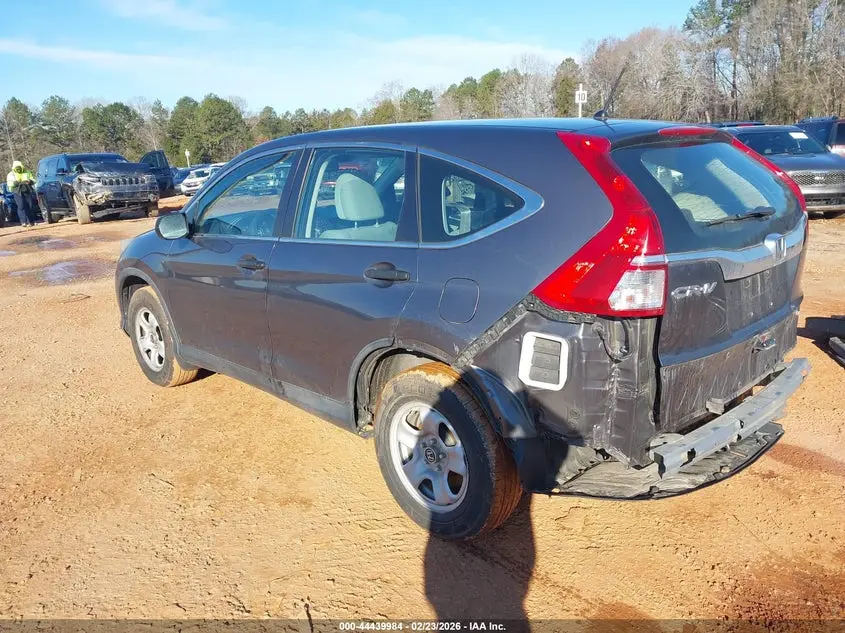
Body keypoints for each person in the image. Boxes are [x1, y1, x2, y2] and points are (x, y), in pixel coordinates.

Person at [6, 160, 37, 227]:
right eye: (17, 167)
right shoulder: (11, 174)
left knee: (30, 205)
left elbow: (34, 180)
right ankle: (23, 222)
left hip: (27, 189)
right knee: (21, 206)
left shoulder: (27, 172)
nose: (18, 169)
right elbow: (9, 183)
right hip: (17, 191)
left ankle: (31, 221)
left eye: (19, 167)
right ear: (14, 168)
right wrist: (15, 183)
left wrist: (30, 181)